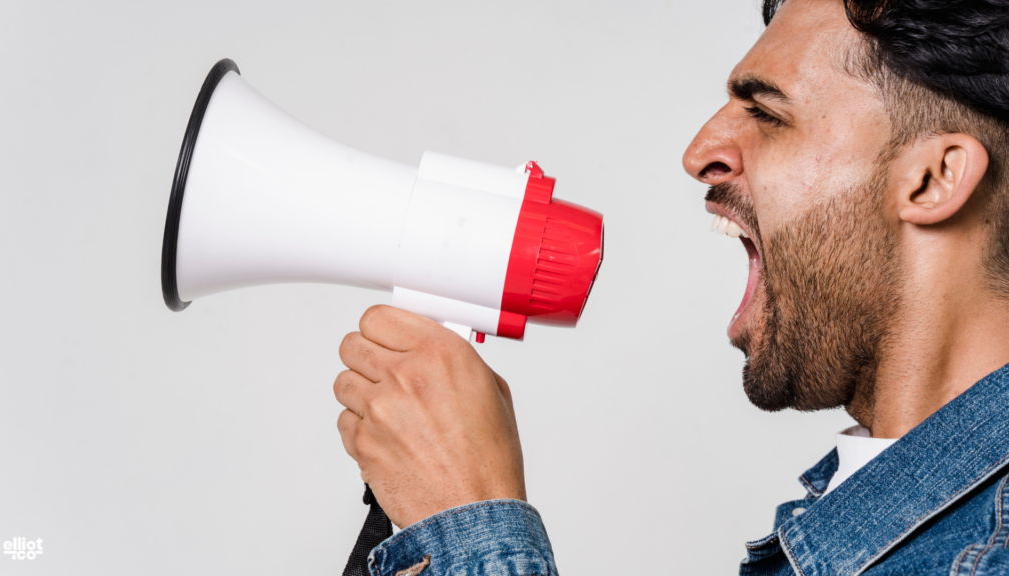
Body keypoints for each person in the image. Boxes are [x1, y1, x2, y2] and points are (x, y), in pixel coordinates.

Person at [332, 0, 1009, 573]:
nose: (700, 150)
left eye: (767, 113)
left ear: (934, 178)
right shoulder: (872, 520)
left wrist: (469, 522)